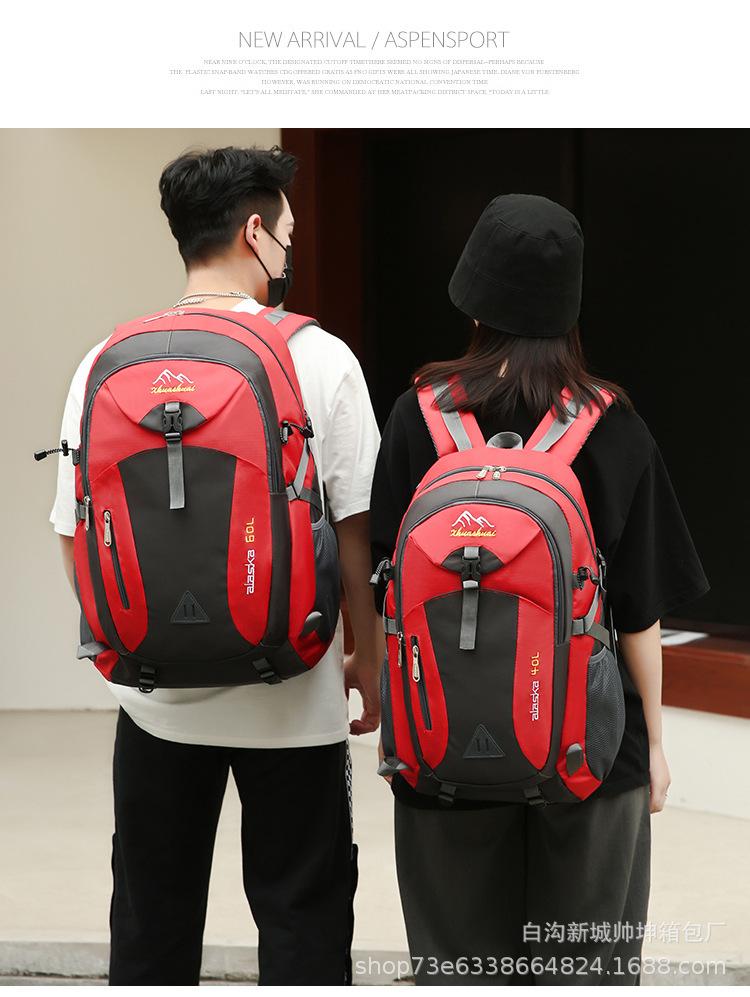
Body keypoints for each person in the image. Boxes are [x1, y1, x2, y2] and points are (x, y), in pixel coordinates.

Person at [49, 145, 384, 985]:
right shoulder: (321, 358)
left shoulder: (103, 361)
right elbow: (355, 534)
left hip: (155, 702)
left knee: (151, 925)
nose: (289, 250)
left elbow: (73, 531)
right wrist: (369, 658)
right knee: (303, 917)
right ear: (254, 231)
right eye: (287, 234)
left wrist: (129, 641)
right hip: (295, 696)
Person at [369, 194, 709, 986]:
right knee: (582, 969)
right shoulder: (614, 425)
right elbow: (640, 614)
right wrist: (655, 745)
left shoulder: (418, 415)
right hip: (591, 753)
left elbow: (391, 584)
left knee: (461, 968)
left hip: (441, 745)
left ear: (473, 300)